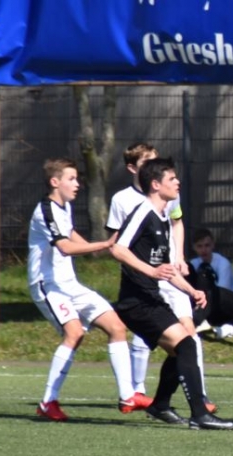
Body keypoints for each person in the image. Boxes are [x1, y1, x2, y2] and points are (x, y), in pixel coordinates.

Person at [109, 157, 233, 430]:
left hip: (150, 298)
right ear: (156, 185)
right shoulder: (143, 211)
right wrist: (150, 271)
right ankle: (200, 414)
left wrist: (192, 290)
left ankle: (160, 405)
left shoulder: (164, 217)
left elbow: (166, 268)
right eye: (172, 179)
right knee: (187, 344)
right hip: (136, 301)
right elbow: (117, 248)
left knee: (181, 350)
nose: (178, 182)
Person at [28, 158, 152, 421]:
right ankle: (48, 402)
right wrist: (104, 244)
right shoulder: (46, 210)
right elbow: (65, 247)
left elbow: (70, 233)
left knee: (116, 327)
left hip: (69, 284)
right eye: (71, 179)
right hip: (48, 285)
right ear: (55, 182)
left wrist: (101, 247)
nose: (77, 184)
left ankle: (128, 396)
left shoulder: (64, 207)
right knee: (74, 333)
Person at [190, 228, 233, 292]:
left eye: (207, 245)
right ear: (194, 247)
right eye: (199, 246)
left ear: (213, 245)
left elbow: (223, 291)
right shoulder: (193, 264)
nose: (203, 250)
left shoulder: (223, 264)